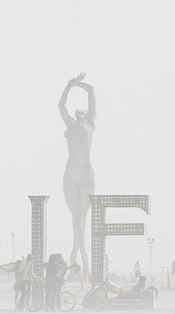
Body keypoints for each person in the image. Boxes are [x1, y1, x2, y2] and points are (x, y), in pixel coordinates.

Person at [59, 72, 97, 276]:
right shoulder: (71, 125)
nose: (79, 112)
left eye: (82, 112)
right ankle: (81, 262)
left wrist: (77, 83)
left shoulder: (90, 122)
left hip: (86, 174)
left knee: (81, 218)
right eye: (77, 112)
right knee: (76, 217)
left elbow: (91, 91)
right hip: (71, 173)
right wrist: (68, 85)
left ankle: (77, 260)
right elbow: (61, 106)